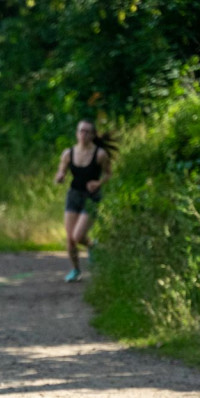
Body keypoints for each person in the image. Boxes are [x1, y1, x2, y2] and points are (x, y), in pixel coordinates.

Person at [54, 119, 116, 283]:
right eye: (81, 131)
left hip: (91, 198)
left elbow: (108, 174)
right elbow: (61, 172)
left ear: (93, 135)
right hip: (74, 195)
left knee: (78, 235)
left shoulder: (100, 154)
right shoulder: (68, 154)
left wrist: (98, 183)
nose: (83, 134)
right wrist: (60, 177)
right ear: (76, 133)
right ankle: (76, 270)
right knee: (70, 239)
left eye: (87, 132)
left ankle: (93, 245)